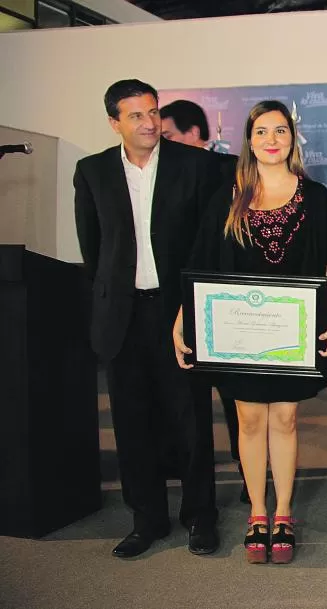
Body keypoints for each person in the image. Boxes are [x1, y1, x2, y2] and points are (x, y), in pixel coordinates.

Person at [173, 100, 327, 564]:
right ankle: (257, 512)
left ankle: (284, 513)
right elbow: (200, 265)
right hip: (238, 336)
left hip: (294, 334)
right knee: (249, 420)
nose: (272, 140)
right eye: (262, 131)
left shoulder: (315, 197)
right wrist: (180, 320)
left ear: (292, 139)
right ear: (249, 140)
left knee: (285, 418)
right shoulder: (227, 196)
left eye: (281, 131)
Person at [74, 79, 222, 558]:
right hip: (122, 314)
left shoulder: (196, 165)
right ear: (114, 122)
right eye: (136, 115)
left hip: (178, 311)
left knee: (190, 420)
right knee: (133, 422)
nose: (149, 122)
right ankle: (147, 520)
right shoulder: (92, 171)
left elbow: (206, 242)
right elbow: (92, 248)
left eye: (153, 112)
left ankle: (200, 516)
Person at [160, 98, 247, 503]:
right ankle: (186, 474)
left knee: (237, 399)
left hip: (229, 301)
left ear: (193, 134)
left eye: (169, 134)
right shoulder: (158, 173)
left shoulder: (232, 170)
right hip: (177, 294)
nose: (162, 142)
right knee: (184, 397)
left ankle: (249, 473)